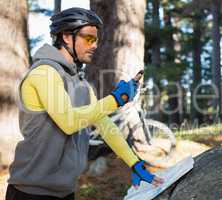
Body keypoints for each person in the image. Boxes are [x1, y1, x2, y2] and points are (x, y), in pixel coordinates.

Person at [5, 7, 163, 200]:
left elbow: (105, 125)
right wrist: (115, 100)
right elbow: (68, 122)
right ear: (66, 37)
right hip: (30, 192)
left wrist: (134, 162)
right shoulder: (44, 73)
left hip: (65, 191)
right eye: (89, 38)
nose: (95, 45)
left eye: (96, 39)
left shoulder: (81, 85)